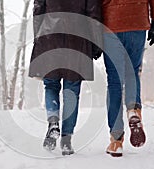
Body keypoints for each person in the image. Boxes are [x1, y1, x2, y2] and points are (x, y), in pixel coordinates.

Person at [29, 0, 102, 155]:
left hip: (49, 39)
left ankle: (53, 122)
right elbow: (93, 15)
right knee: (72, 91)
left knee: (51, 85)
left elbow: (38, 11)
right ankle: (66, 141)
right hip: (77, 40)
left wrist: (38, 37)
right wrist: (96, 44)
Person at [102, 0, 154, 157]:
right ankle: (133, 110)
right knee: (133, 72)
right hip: (137, 21)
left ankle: (116, 141)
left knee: (114, 81)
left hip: (111, 23)